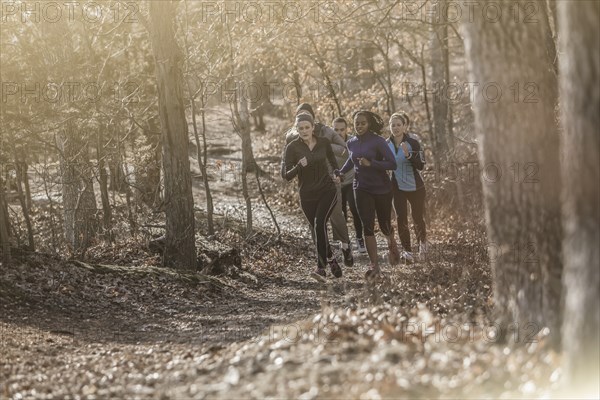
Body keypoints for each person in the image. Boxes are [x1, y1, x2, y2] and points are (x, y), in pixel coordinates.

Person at [286, 103, 354, 267]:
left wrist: (323, 147)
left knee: (336, 215)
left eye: (306, 114)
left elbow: (344, 148)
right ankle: (326, 257)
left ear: (312, 117)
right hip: (308, 184)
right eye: (299, 115)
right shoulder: (291, 136)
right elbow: (288, 161)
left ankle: (345, 245)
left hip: (329, 179)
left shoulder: (326, 132)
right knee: (316, 224)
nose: (302, 118)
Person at [336, 110, 400, 279]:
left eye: (363, 123)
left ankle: (391, 242)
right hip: (361, 187)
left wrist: (371, 163)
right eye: (356, 123)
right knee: (367, 226)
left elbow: (392, 164)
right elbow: (351, 160)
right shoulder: (351, 142)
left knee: (385, 225)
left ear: (369, 123)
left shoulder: (378, 142)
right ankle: (375, 266)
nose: (359, 126)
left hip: (382, 189)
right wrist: (341, 173)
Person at [281, 112, 343, 281]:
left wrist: (337, 173)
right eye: (300, 128)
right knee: (319, 228)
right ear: (297, 129)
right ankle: (331, 259)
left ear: (313, 127)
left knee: (319, 222)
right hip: (307, 195)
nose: (304, 130)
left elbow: (332, 160)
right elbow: (286, 175)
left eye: (307, 127)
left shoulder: (323, 142)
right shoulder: (292, 147)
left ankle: (320, 268)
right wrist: (299, 167)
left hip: (327, 190)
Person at [388, 112, 427, 262]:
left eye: (399, 125)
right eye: (393, 125)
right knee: (401, 218)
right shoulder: (386, 145)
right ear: (389, 127)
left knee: (417, 217)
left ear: (405, 126)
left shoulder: (413, 143)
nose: (396, 128)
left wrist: (409, 155)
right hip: (397, 187)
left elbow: (421, 165)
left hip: (416, 187)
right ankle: (407, 252)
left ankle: (422, 246)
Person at [332, 117, 366, 254]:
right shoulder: (328, 143)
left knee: (355, 209)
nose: (339, 132)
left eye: (342, 129)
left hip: (351, 181)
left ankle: (359, 238)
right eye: (336, 130)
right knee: (340, 214)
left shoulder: (352, 141)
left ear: (347, 129)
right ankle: (344, 242)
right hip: (336, 184)